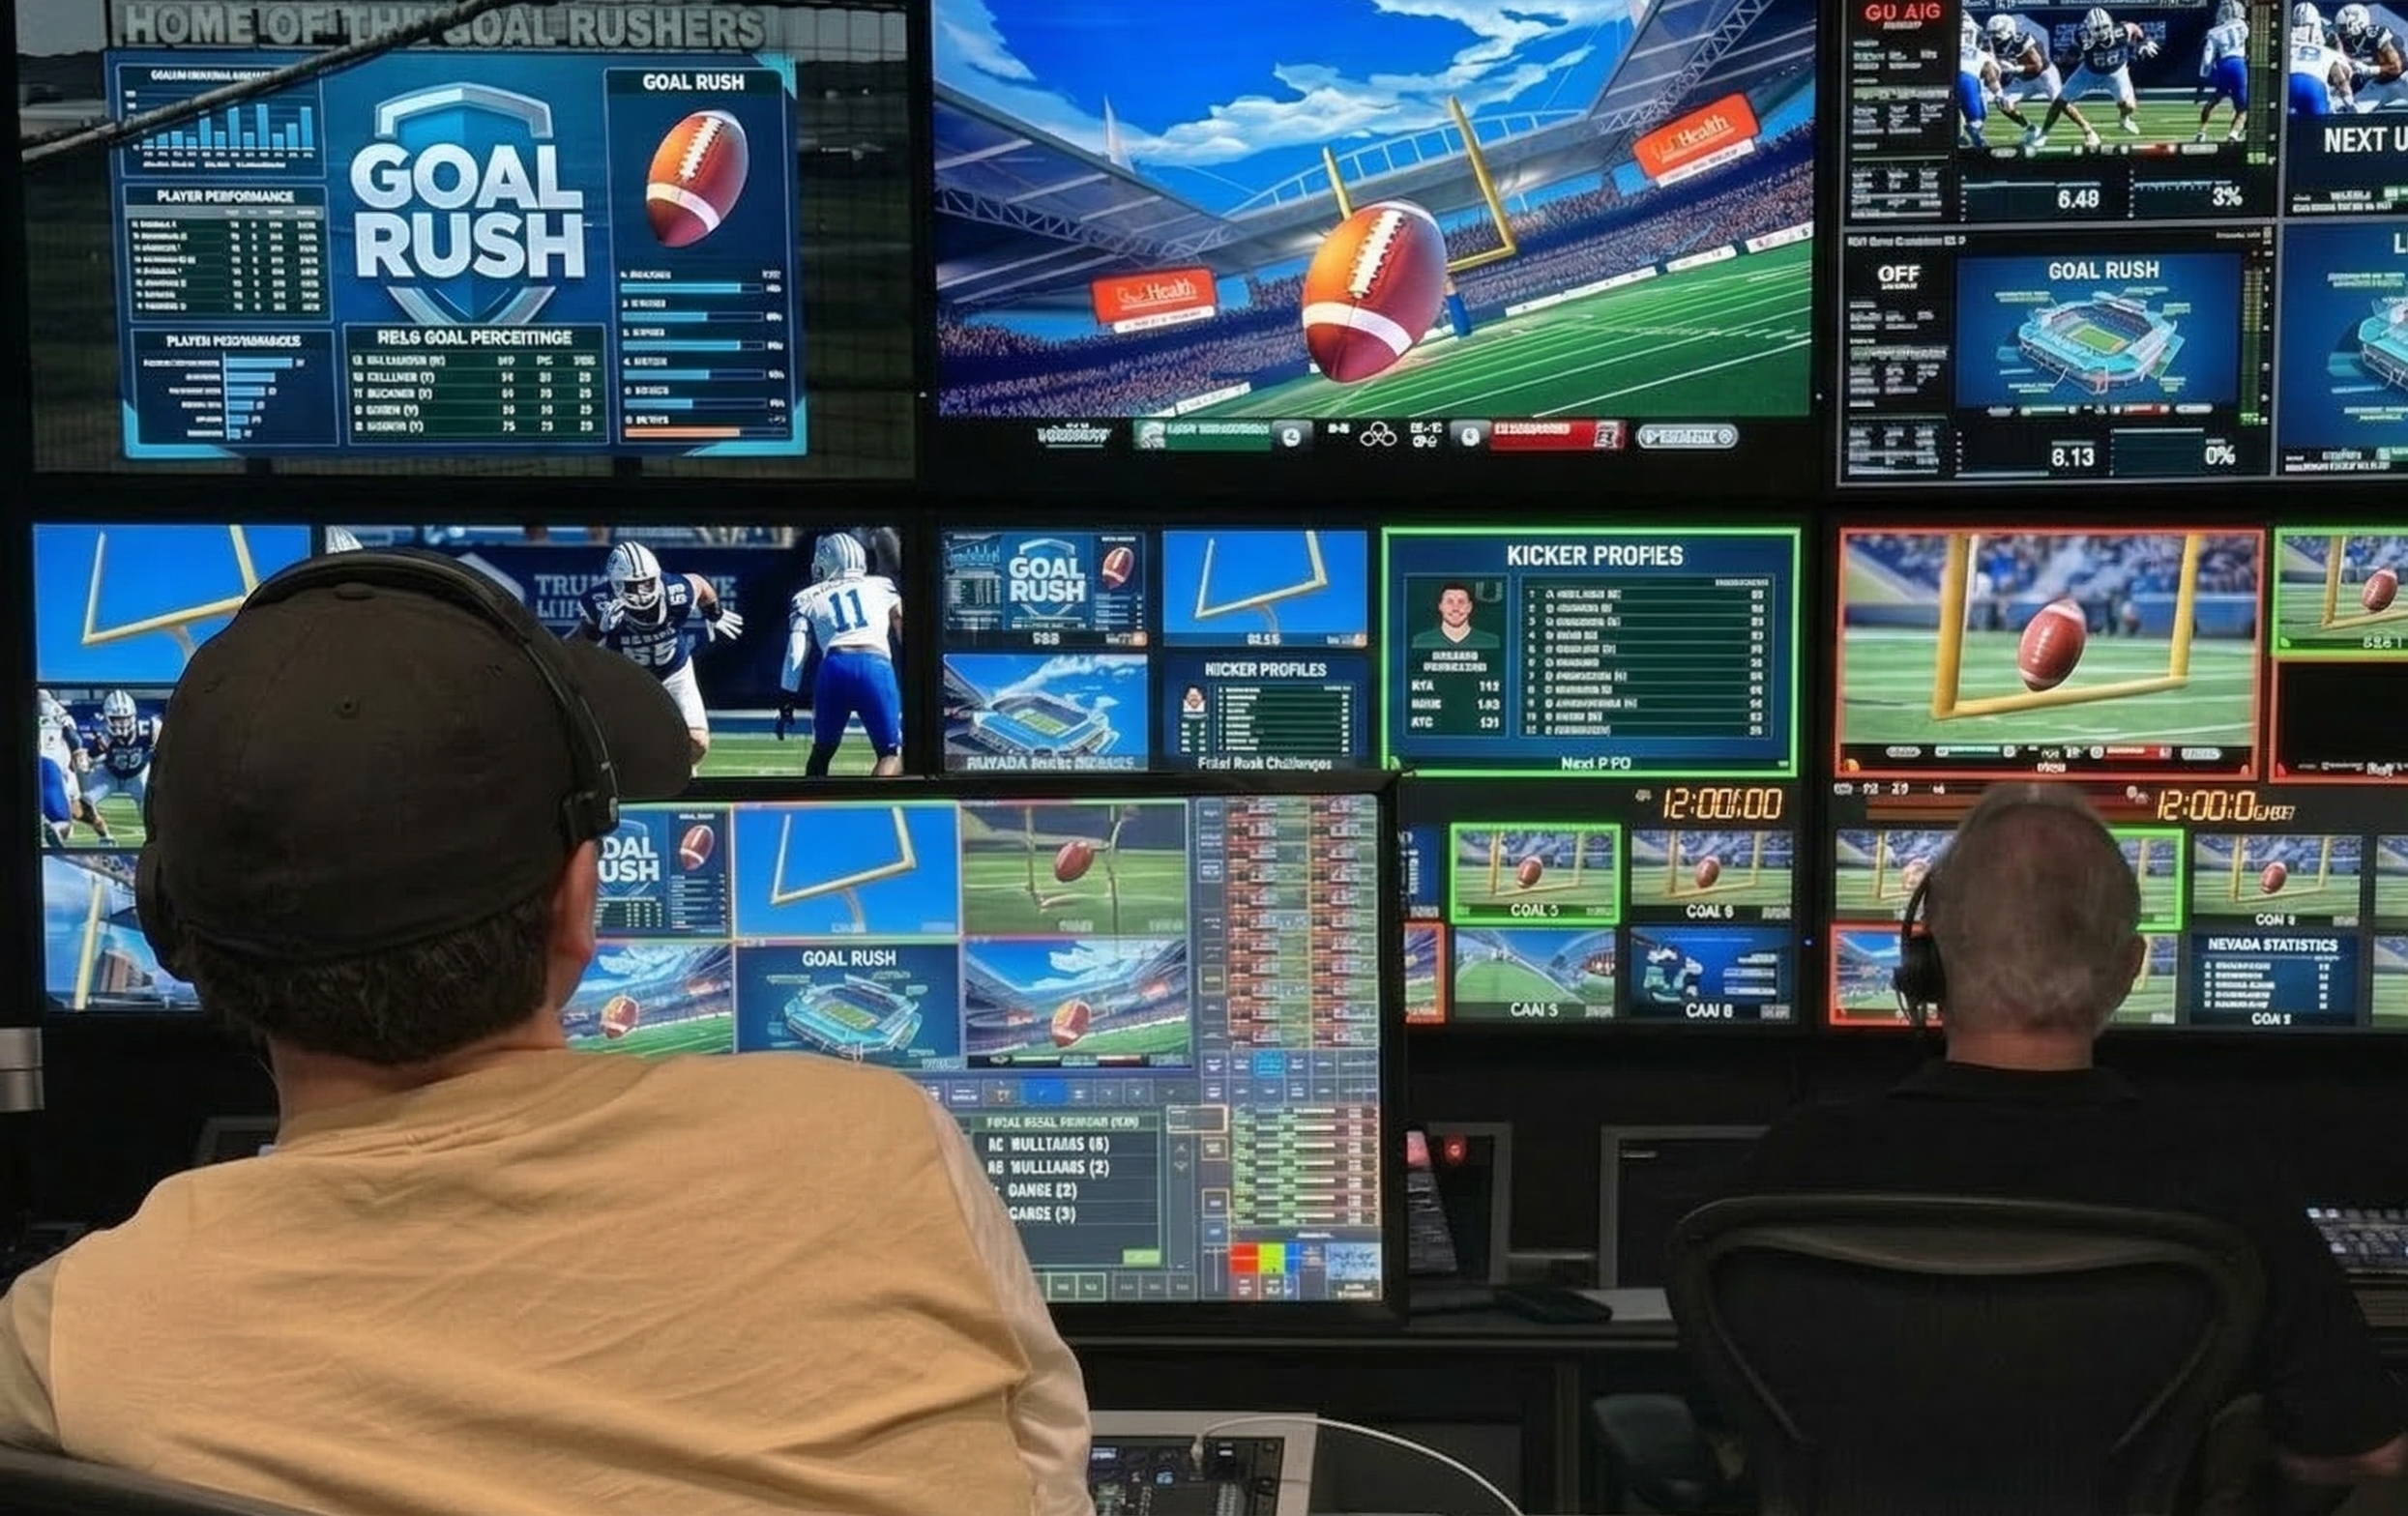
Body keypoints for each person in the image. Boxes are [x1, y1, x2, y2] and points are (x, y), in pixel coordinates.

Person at [0, 552, 1094, 1516]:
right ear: (579, 905)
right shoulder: (885, 1145)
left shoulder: (63, 1338)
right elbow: (1051, 1482)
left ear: (174, 933)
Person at [1745, 784, 2406, 1497]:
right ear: (2129, 970)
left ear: (1925, 962)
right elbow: (2364, 1453)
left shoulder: (1796, 1163)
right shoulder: (2223, 1180)